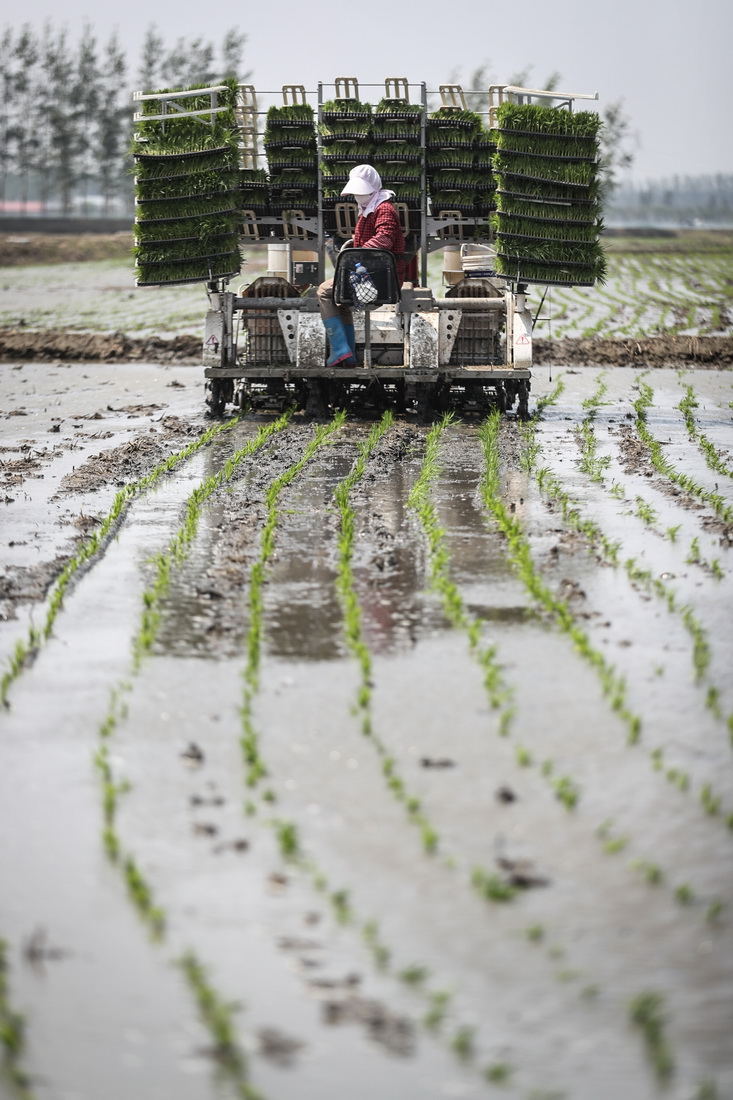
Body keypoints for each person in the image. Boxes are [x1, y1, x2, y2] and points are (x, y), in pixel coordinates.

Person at [317, 164, 406, 368]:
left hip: (380, 278)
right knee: (340, 301)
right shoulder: (369, 208)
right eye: (356, 192)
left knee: (324, 291)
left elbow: (384, 239)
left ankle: (340, 348)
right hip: (370, 273)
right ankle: (346, 355)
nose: (358, 196)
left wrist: (358, 255)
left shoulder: (384, 209)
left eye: (362, 191)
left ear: (373, 189)